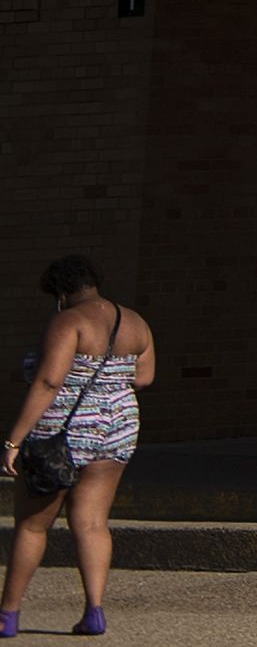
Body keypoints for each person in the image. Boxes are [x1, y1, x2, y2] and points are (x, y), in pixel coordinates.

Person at [1, 259, 147, 639]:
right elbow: (144, 376)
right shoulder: (134, 321)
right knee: (93, 523)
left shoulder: (69, 321)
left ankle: (8, 614)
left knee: (33, 526)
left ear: (61, 293)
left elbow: (49, 381)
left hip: (61, 431)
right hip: (117, 428)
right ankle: (94, 611)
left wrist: (14, 440)